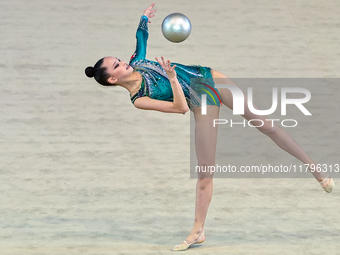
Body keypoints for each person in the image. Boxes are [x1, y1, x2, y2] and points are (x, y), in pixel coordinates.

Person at [85, 3, 335, 251]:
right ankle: (198, 231)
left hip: (208, 77)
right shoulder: (139, 98)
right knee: (205, 172)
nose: (123, 63)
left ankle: (315, 169)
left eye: (119, 59)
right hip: (198, 98)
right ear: (113, 79)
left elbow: (141, 38)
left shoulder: (137, 62)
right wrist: (172, 79)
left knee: (266, 125)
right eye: (117, 66)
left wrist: (143, 18)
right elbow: (180, 108)